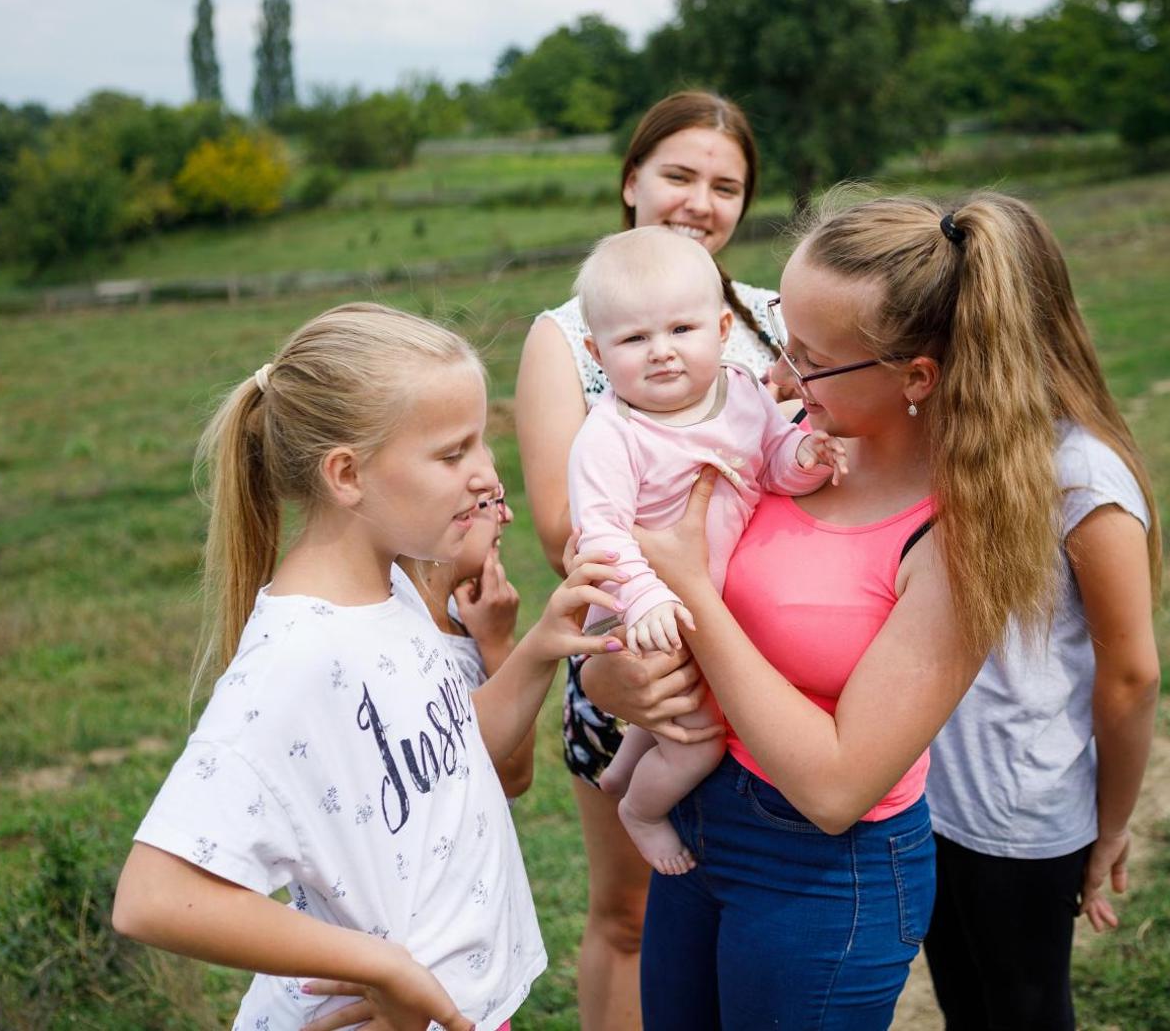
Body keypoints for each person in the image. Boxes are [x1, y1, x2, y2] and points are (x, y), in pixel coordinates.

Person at [613, 191, 1083, 1029]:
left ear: (916, 376)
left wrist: (690, 594)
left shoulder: (959, 541)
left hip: (822, 876)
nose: (778, 376)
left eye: (812, 359)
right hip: (697, 824)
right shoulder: (785, 437)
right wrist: (622, 676)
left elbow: (836, 787)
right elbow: (636, 605)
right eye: (779, 339)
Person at [110, 303, 626, 1031]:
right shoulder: (295, 657)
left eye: (482, 443)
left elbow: (454, 752)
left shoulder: (394, 589)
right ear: (348, 475)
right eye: (453, 454)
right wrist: (383, 966)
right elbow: (153, 896)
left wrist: (540, 642)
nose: (485, 477)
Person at [515, 89, 780, 1030]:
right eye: (678, 174)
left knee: (751, 902)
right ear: (631, 182)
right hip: (639, 653)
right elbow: (562, 529)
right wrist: (648, 623)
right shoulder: (568, 335)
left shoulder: (774, 323)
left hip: (775, 656)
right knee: (631, 914)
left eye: (726, 185)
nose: (700, 202)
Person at [921, 231, 1163, 1025]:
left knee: (1015, 1009)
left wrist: (1111, 823)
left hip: (1020, 817)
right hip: (931, 794)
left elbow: (1132, 677)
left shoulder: (1086, 475)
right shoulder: (941, 445)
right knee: (975, 1004)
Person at [567, 226, 843, 875]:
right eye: (634, 339)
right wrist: (648, 597)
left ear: (722, 329)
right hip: (637, 609)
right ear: (596, 353)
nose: (661, 353)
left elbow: (773, 459)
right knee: (696, 740)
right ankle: (641, 809)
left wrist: (805, 456)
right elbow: (602, 534)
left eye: (681, 331)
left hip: (699, 602)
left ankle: (622, 772)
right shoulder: (612, 434)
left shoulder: (744, 392)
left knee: (676, 708)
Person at [398, 480, 537, 797]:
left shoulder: (457, 611)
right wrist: (499, 644)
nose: (509, 514)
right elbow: (513, 775)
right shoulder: (422, 654)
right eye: (494, 501)